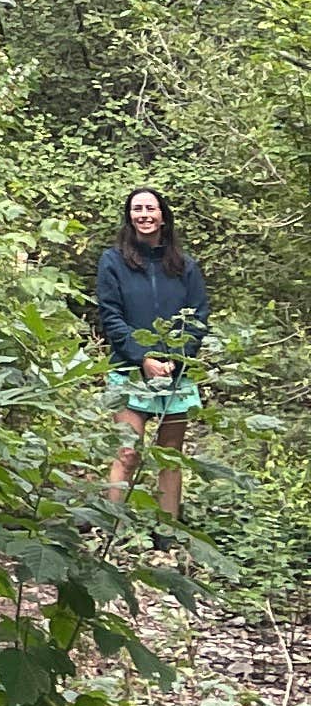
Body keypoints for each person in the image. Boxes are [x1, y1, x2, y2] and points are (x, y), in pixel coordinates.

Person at [97, 185, 209, 524]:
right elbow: (110, 314)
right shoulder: (113, 261)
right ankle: (111, 528)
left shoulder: (185, 266)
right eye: (136, 209)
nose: (144, 214)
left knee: (169, 458)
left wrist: (178, 360)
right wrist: (142, 358)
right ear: (129, 217)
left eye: (150, 208)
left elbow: (199, 316)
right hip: (130, 372)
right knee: (128, 452)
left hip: (176, 374)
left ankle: (167, 531)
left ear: (163, 215)